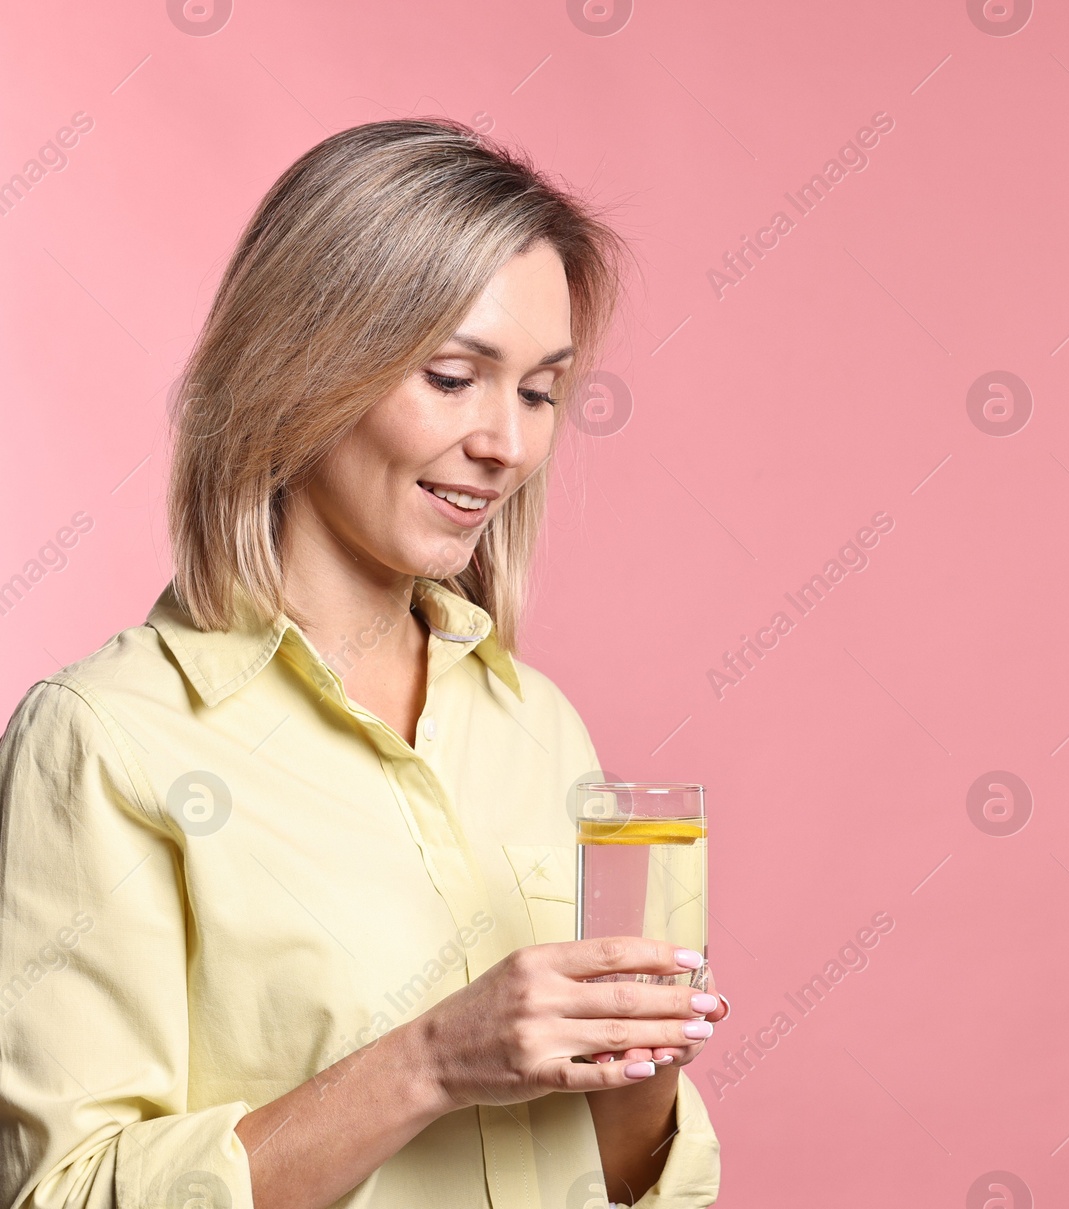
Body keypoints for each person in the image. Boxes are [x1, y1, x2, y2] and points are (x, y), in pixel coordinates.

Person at [0, 118, 728, 1209]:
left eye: (537, 392)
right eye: (451, 376)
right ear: (303, 368)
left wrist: (639, 1069)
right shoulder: (107, 741)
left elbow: (613, 1180)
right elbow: (64, 1194)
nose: (510, 446)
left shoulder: (538, 725)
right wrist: (431, 1062)